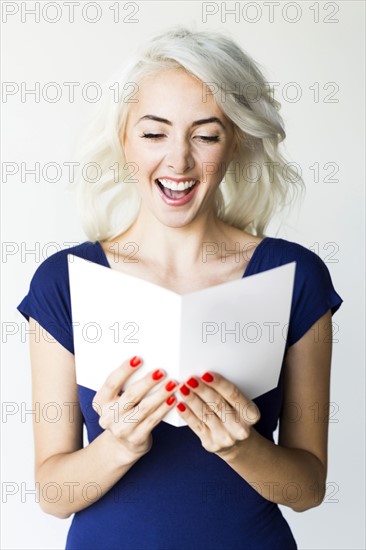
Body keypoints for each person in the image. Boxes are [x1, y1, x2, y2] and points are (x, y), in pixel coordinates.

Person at [17, 27, 343, 550]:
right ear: (123, 138)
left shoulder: (295, 277)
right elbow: (54, 495)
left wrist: (241, 448)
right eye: (154, 133)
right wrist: (120, 444)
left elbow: (306, 491)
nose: (178, 161)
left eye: (205, 135)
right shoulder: (64, 282)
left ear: (234, 141)